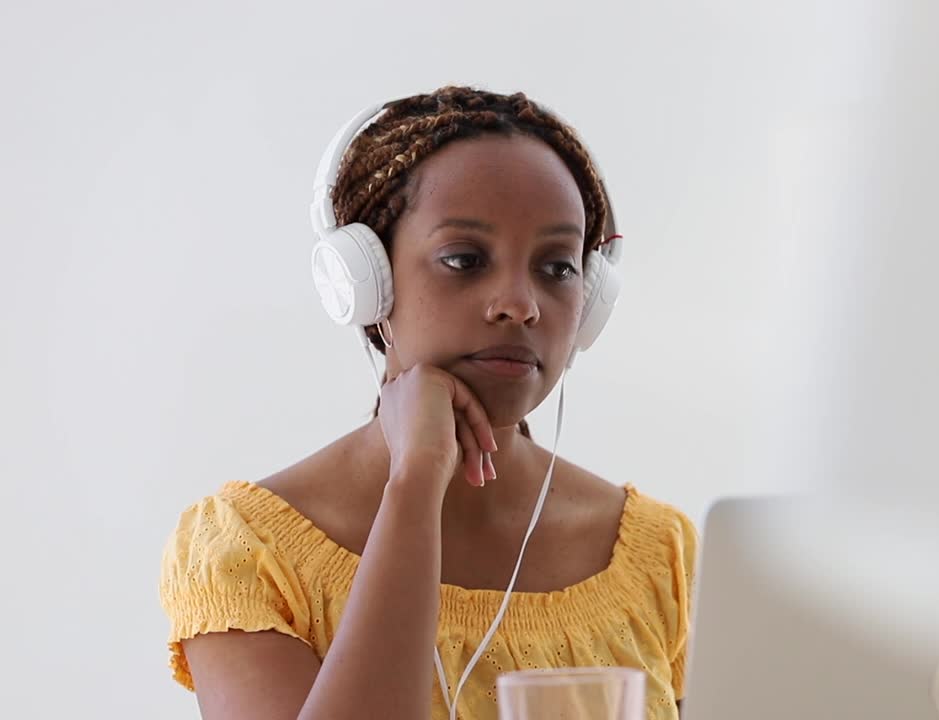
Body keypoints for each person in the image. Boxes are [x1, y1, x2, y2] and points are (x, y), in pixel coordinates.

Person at [158, 86, 697, 720]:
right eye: (464, 259)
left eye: (557, 268)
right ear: (368, 283)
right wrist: (414, 484)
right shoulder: (246, 554)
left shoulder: (660, 555)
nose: (519, 304)